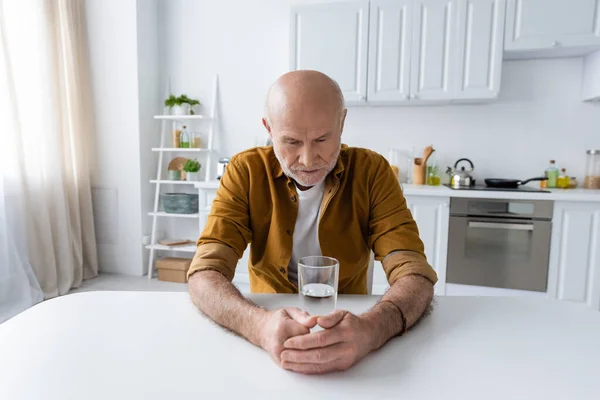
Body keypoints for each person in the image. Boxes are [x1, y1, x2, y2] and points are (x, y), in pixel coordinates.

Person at [188, 70, 437, 374]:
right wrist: (259, 326)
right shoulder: (246, 171)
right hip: (266, 325)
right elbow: (204, 273)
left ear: (342, 123)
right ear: (268, 127)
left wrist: (372, 330)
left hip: (353, 320)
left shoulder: (372, 172)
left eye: (322, 139)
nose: (307, 159)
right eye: (291, 142)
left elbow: (414, 272)